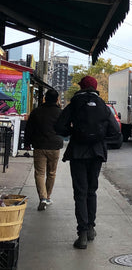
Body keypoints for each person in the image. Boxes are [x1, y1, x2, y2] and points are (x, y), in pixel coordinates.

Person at [55, 75, 120, 250]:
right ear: (95, 87)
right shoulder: (103, 106)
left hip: (78, 153)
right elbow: (116, 131)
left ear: (82, 87)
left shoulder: (75, 103)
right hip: (97, 153)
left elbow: (59, 126)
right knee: (92, 191)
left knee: (80, 193)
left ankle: (82, 234)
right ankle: (91, 228)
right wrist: (100, 138)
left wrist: (74, 133)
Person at [23, 89, 64, 211]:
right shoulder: (60, 113)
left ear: (45, 98)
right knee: (51, 173)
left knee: (39, 173)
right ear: (57, 99)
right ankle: (48, 196)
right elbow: (64, 129)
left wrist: (26, 144)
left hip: (39, 145)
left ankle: (43, 197)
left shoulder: (36, 111)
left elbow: (29, 129)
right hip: (54, 146)